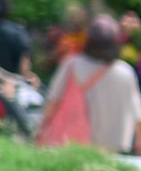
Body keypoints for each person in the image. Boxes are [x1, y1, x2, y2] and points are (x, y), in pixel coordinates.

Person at [38, 16, 141, 154]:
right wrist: (139, 142)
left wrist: (42, 127)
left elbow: (53, 100)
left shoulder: (73, 64)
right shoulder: (125, 72)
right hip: (115, 146)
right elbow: (137, 113)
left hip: (77, 144)